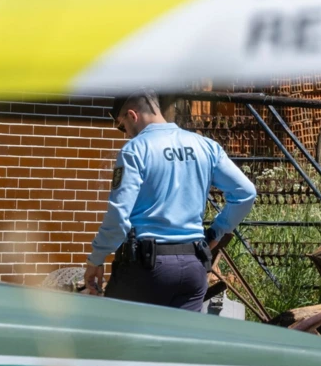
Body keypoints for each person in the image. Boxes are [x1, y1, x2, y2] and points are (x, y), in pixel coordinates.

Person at [83, 91, 258, 311]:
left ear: (132, 115)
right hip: (193, 268)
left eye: (122, 126)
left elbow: (119, 216)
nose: (125, 134)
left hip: (145, 270)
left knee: (117, 341)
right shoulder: (206, 146)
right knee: (180, 344)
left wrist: (96, 259)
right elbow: (246, 192)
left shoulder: (135, 150)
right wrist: (215, 232)